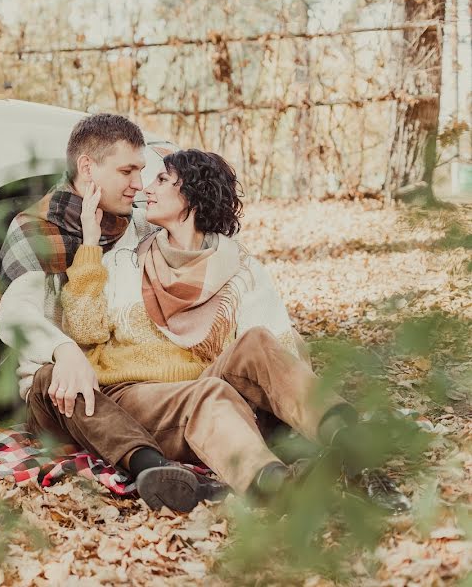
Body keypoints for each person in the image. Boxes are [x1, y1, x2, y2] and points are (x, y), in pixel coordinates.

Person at [54, 148, 411, 512]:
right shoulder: (127, 260)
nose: (148, 187)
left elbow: (281, 346)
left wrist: (289, 418)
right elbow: (83, 329)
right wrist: (88, 243)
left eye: (162, 179)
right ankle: (277, 489)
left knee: (255, 342)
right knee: (209, 392)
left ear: (190, 196)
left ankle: (356, 458)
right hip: (139, 394)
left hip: (208, 385)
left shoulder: (239, 268)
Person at [0, 114, 225, 511]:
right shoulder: (35, 229)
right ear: (87, 167)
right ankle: (152, 468)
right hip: (56, 387)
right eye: (127, 170)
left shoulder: (138, 225)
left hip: (123, 374)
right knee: (61, 382)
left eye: (141, 170)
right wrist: (64, 351)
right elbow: (15, 315)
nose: (138, 184)